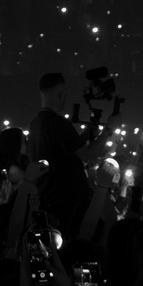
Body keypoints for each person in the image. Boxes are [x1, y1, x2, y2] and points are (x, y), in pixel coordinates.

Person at [32, 72, 105, 236]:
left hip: (47, 197)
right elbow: (87, 154)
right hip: (66, 203)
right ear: (61, 94)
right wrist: (109, 130)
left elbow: (63, 151)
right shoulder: (59, 123)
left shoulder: (36, 122)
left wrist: (85, 136)